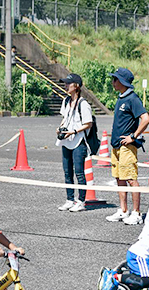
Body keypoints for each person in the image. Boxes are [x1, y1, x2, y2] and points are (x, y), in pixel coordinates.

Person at [105, 67, 149, 225]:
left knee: (131, 178)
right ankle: (123, 210)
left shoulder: (132, 98)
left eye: (115, 79)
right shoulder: (121, 97)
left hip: (126, 147)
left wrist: (133, 136)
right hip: (116, 145)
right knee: (119, 178)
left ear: (123, 82)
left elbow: (146, 119)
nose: (113, 82)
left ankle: (136, 213)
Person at [55, 73, 93, 212]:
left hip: (79, 141)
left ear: (76, 86)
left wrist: (74, 131)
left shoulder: (83, 104)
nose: (65, 86)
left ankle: (81, 201)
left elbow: (88, 123)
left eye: (68, 83)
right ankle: (69, 199)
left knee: (79, 172)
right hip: (66, 140)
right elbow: (65, 117)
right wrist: (60, 128)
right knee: (67, 171)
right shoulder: (66, 101)